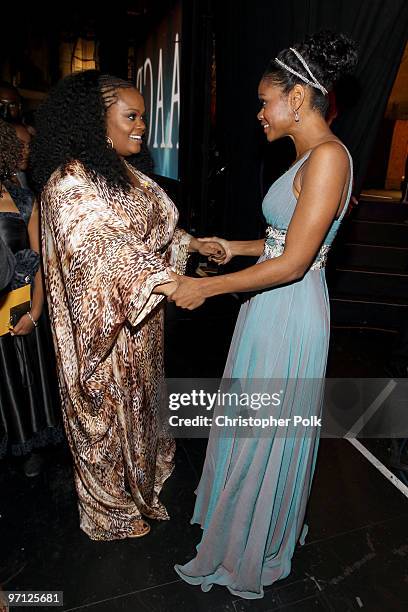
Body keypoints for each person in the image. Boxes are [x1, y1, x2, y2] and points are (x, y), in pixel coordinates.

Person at [173, 31, 357, 599]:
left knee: (264, 430)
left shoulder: (328, 158)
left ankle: (251, 543)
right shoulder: (308, 156)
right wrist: (232, 245)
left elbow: (296, 263)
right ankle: (243, 526)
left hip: (289, 309)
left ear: (297, 98)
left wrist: (209, 289)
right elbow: (282, 242)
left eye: (264, 100)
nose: (259, 112)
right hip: (270, 306)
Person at [29, 70, 224, 540]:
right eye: (130, 116)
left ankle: (145, 476)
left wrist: (192, 246)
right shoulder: (68, 181)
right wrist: (169, 283)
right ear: (98, 121)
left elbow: (151, 230)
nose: (142, 126)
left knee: (143, 410)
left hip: (143, 324)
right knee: (105, 419)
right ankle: (110, 510)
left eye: (143, 116)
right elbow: (105, 247)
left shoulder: (122, 171)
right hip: (105, 336)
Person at [0, 118, 61, 472]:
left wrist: (36, 311)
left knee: (23, 380)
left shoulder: (24, 199)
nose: (26, 152)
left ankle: (27, 446)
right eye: (19, 145)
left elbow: (40, 261)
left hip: (19, 308)